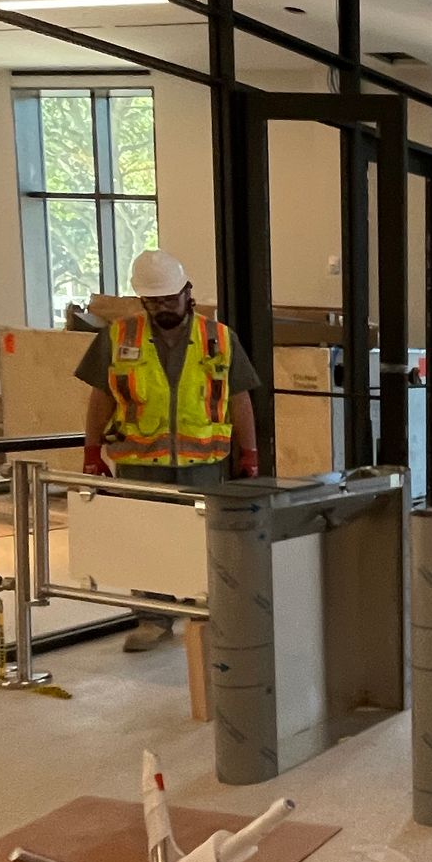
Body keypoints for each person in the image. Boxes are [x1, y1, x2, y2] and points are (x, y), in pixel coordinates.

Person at [77, 249, 261, 652]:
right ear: (143, 300)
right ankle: (153, 619)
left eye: (169, 299)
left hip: (204, 463)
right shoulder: (118, 337)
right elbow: (100, 399)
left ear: (187, 292)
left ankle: (206, 611)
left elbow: (240, 399)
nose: (163, 307)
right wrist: (92, 452)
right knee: (148, 541)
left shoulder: (220, 338)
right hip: (141, 461)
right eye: (154, 301)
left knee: (204, 540)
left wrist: (249, 453)